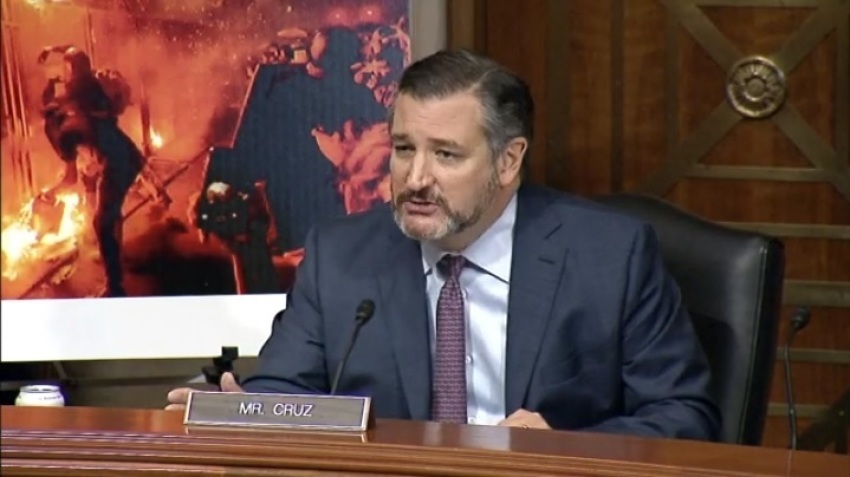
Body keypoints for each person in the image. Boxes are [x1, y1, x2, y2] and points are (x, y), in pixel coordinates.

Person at [167, 49, 721, 440]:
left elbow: (685, 416)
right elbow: (285, 392)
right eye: (404, 149)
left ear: (508, 161)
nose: (415, 179)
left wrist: (562, 447)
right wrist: (243, 413)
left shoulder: (610, 256)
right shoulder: (340, 258)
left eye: (446, 155)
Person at [37, 46, 144, 297]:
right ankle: (115, 258)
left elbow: (69, 178)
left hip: (118, 163)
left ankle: (114, 287)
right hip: (129, 156)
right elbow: (78, 58)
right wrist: (53, 50)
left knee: (102, 222)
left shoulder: (64, 132)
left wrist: (48, 194)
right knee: (109, 214)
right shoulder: (85, 102)